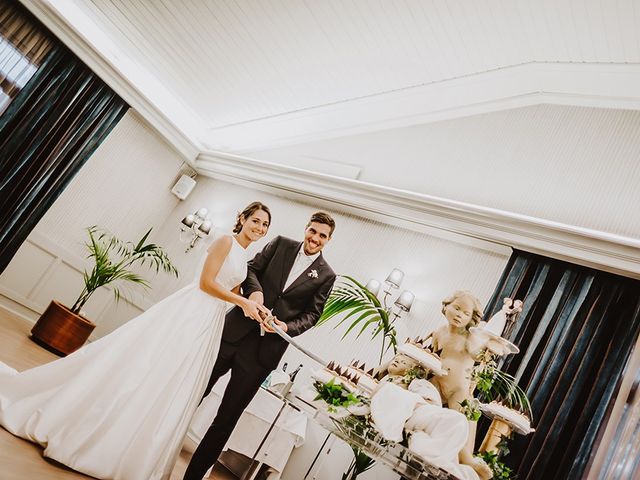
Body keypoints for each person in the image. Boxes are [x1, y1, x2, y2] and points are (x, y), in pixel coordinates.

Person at [0, 201, 272, 480]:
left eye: (265, 224)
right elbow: (206, 283)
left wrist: (256, 309)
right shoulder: (225, 241)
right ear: (242, 218)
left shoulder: (243, 256)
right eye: (256, 220)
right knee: (149, 366)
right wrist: (241, 300)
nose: (259, 227)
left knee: (174, 380)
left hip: (212, 321)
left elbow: (235, 291)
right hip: (192, 311)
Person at [183, 211, 337, 480]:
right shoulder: (280, 244)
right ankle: (160, 447)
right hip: (232, 333)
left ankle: (192, 476)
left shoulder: (326, 275)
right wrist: (255, 295)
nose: (315, 238)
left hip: (263, 353)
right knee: (194, 392)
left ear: (328, 240)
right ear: (306, 229)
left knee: (226, 418)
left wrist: (285, 327)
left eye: (322, 236)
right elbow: (251, 268)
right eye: (313, 231)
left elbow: (313, 315)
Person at [429, 290, 492, 480]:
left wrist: (484, 341)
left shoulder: (470, 338)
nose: (459, 315)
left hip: (458, 388)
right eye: (456, 308)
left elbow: (478, 355)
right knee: (428, 413)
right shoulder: (439, 332)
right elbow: (432, 355)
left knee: (462, 423)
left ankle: (467, 458)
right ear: (446, 306)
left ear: (471, 319)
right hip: (437, 382)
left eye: (465, 313)